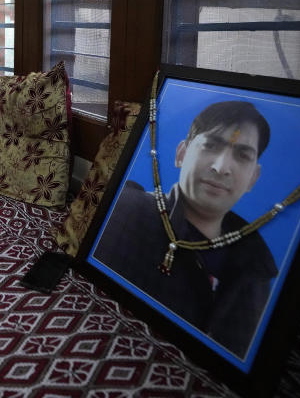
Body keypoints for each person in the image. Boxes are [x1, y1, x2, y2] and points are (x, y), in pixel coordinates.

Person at [93, 100, 278, 357]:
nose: (221, 167)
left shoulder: (256, 270)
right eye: (211, 145)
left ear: (253, 178)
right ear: (181, 154)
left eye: (242, 155)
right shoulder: (126, 212)